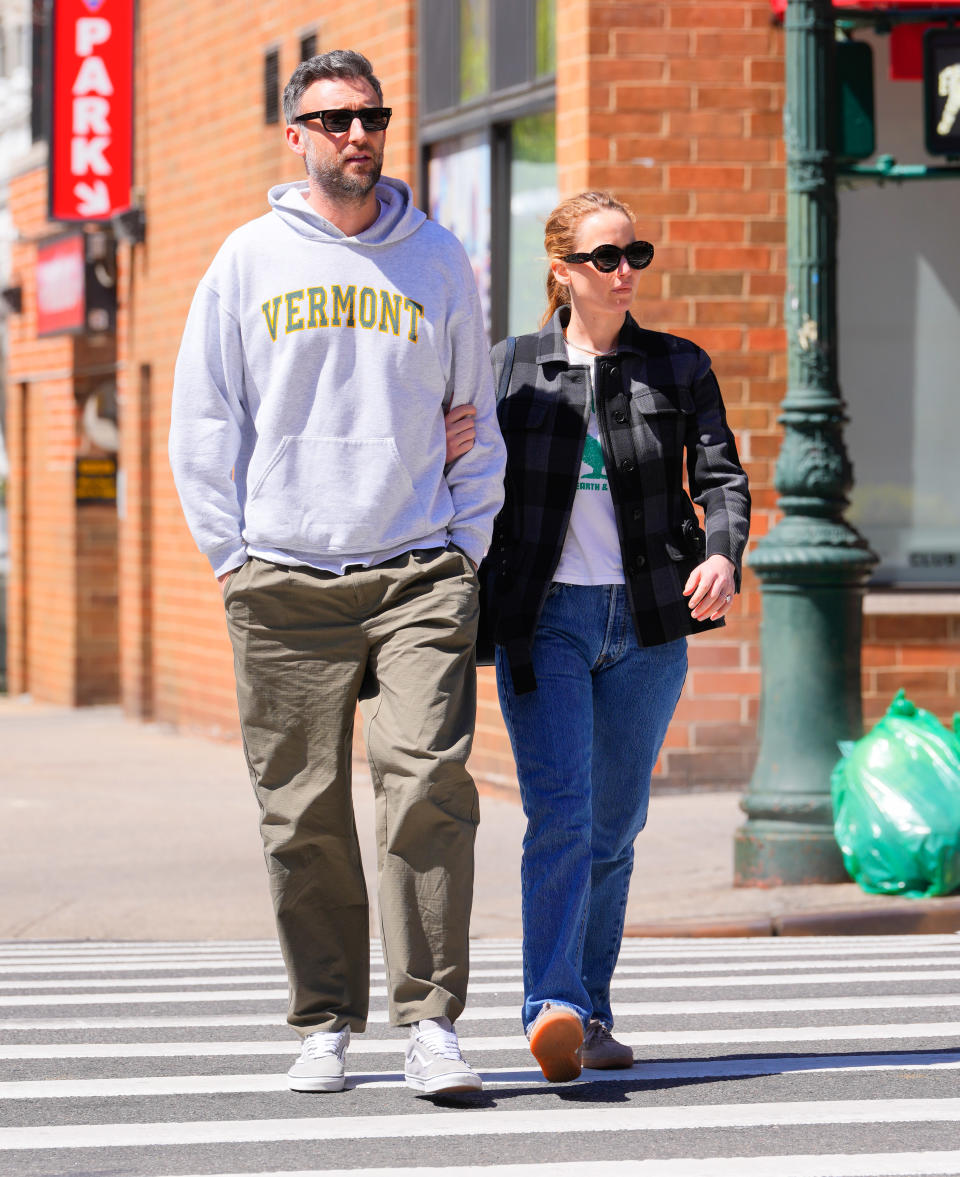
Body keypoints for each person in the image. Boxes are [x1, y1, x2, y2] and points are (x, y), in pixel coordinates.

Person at [169, 49, 505, 1097]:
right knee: (302, 813)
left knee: (426, 792)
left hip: (416, 571)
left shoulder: (439, 258)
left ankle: (432, 1020)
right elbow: (203, 419)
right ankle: (325, 1021)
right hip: (284, 581)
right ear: (297, 136)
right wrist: (233, 557)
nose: (358, 134)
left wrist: (466, 545)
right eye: (336, 119)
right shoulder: (246, 260)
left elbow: (476, 421)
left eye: (373, 116)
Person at [453, 190, 750, 1082]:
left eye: (635, 255)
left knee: (616, 826)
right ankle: (552, 1003)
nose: (626, 273)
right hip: (546, 621)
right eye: (605, 258)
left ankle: (593, 1007)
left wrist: (726, 555)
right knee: (563, 812)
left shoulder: (678, 366)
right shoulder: (511, 370)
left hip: (651, 623)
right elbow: (462, 480)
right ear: (562, 270)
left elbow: (725, 478)